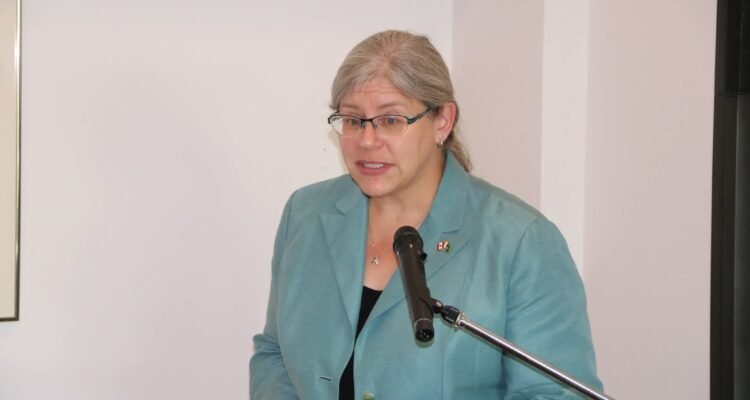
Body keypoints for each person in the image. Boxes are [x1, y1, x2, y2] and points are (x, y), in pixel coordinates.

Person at [250, 30, 602, 399]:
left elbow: (557, 394)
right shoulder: (305, 214)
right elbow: (274, 354)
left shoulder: (521, 241)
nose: (367, 141)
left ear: (442, 121)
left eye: (391, 120)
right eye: (353, 120)